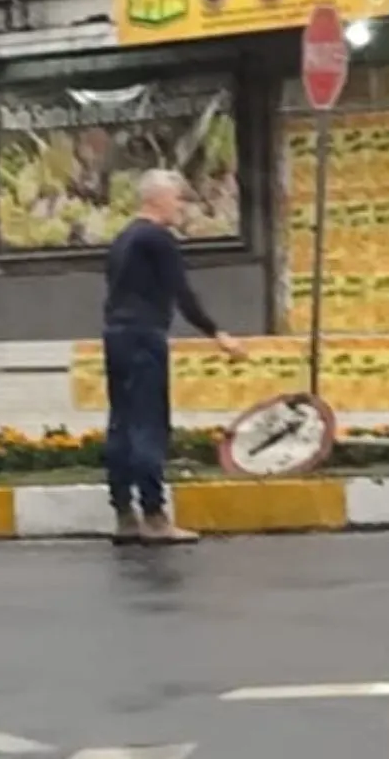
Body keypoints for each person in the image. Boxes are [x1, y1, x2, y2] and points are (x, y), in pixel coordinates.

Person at [103, 169, 246, 546]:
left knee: (121, 423)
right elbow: (181, 293)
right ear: (156, 199)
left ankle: (124, 514)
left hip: (115, 335)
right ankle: (154, 515)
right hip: (144, 336)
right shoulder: (157, 239)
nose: (182, 205)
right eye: (178, 198)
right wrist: (218, 333)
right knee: (149, 424)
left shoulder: (122, 239)